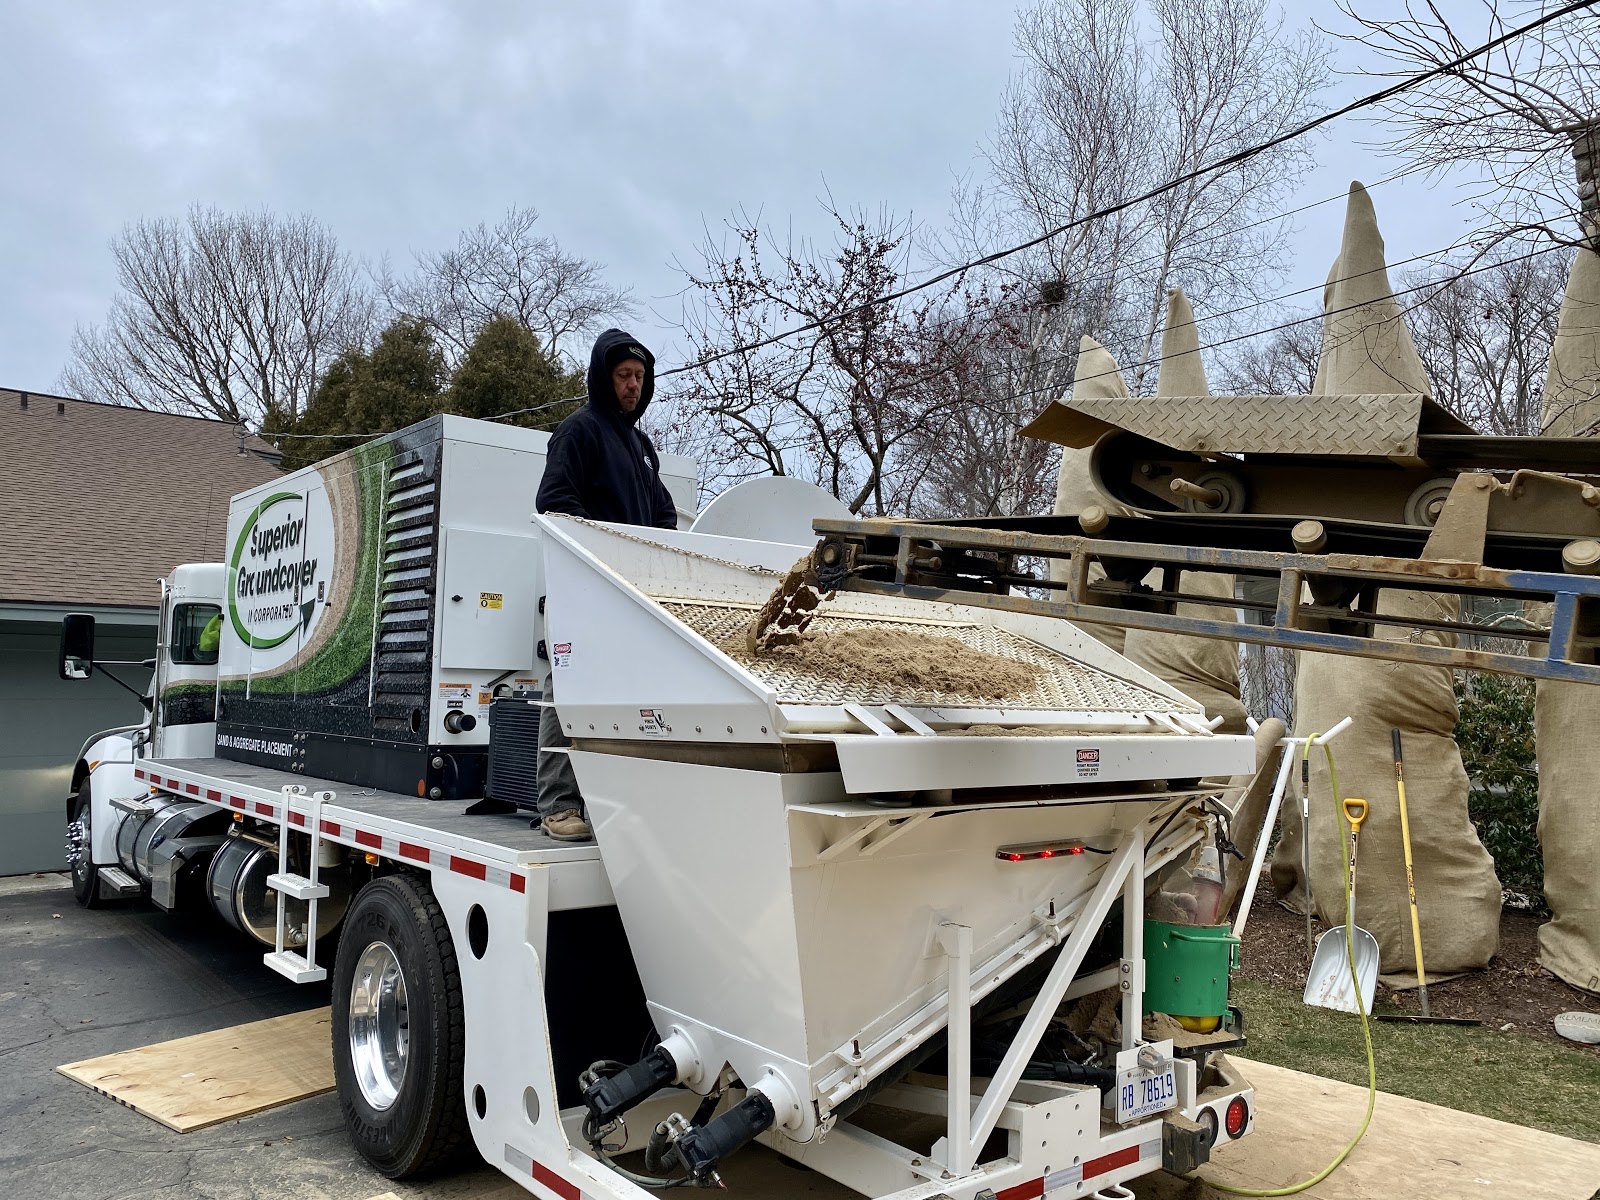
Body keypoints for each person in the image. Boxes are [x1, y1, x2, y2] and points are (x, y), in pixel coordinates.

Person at [533, 329, 679, 841]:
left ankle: (605, 804)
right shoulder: (578, 432)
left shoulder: (641, 447)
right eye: (623, 376)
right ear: (602, 377)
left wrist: (648, 555)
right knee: (566, 696)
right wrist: (604, 552)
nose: (633, 385)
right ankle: (557, 805)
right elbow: (552, 500)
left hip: (627, 599)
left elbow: (662, 513)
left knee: (621, 703)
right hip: (581, 594)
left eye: (640, 377)